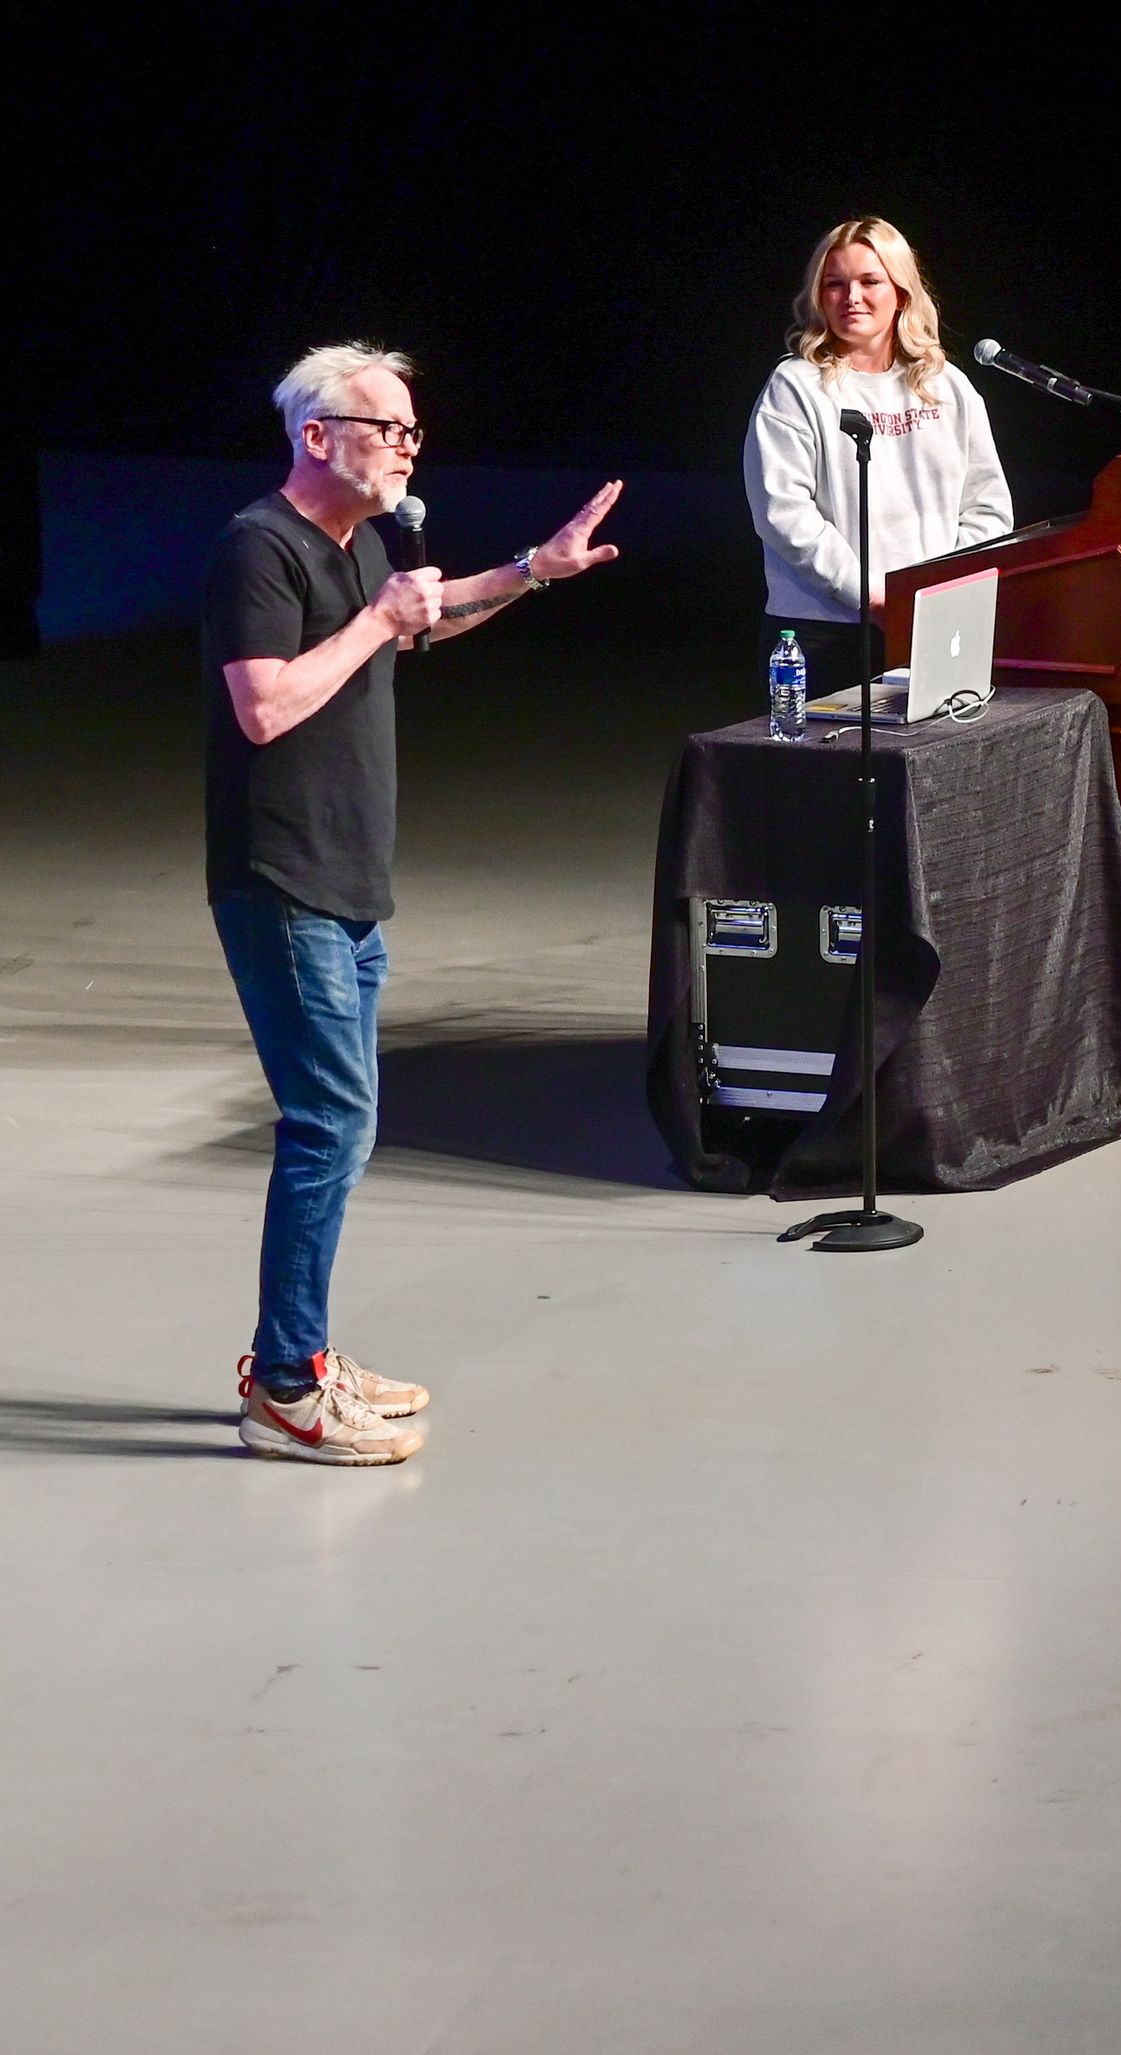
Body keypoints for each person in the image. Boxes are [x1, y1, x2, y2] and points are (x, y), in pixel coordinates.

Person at [209, 344, 623, 1466]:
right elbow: (264, 708)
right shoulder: (262, 547)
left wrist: (534, 568)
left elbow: (425, 620)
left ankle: (299, 1354)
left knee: (338, 1125)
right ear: (316, 436)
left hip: (350, 885)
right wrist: (381, 622)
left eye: (412, 431)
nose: (404, 443)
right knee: (327, 1127)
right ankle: (287, 1385)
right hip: (283, 881)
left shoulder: (369, 546)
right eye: (386, 425)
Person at [746, 216, 1013, 697]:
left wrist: (936, 595)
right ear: (817, 295)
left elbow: (987, 507)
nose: (852, 297)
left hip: (932, 623)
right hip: (823, 633)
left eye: (870, 281)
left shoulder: (947, 385)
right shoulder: (795, 387)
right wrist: (873, 598)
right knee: (825, 773)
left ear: (902, 291)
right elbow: (783, 514)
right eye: (835, 284)